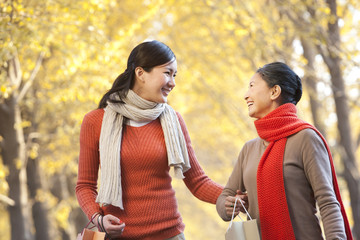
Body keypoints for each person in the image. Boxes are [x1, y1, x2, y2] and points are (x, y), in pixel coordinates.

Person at [76, 40, 223, 240]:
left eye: (174, 75)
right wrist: (98, 218)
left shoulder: (173, 121)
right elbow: (85, 185)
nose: (173, 82)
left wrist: (229, 196)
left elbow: (197, 182)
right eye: (167, 73)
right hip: (119, 236)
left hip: (169, 235)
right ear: (140, 73)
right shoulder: (96, 121)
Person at [216, 62, 353, 239]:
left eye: (252, 86)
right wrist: (227, 206)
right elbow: (224, 197)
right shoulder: (249, 149)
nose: (246, 95)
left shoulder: (306, 138)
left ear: (274, 92)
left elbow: (327, 202)